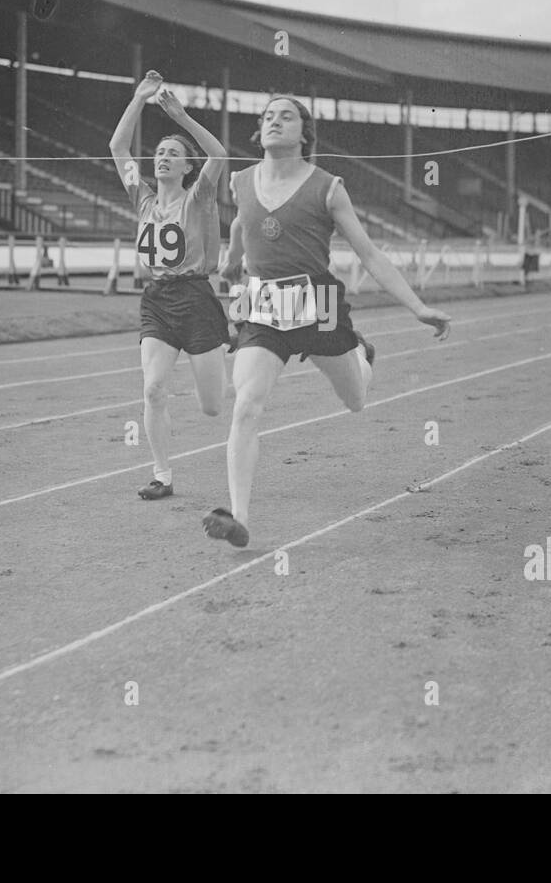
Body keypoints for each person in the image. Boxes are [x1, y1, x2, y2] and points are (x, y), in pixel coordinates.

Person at [200, 96, 452, 548]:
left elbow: (369, 254)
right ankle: (237, 517)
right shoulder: (239, 181)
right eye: (268, 117)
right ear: (259, 132)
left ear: (305, 133)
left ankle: (362, 354)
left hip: (318, 306)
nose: (275, 121)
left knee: (355, 400)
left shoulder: (328, 188)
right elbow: (241, 223)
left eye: (287, 116)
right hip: (263, 307)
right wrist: (233, 261)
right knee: (246, 405)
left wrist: (418, 307)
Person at [108, 71, 230, 501]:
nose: (162, 158)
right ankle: (162, 475)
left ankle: (243, 348)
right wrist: (139, 98)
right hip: (157, 301)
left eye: (173, 153)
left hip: (196, 299)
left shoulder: (199, 198)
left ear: (186, 166)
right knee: (153, 389)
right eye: (159, 152)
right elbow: (118, 147)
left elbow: (218, 155)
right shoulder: (141, 198)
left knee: (212, 406)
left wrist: (180, 118)